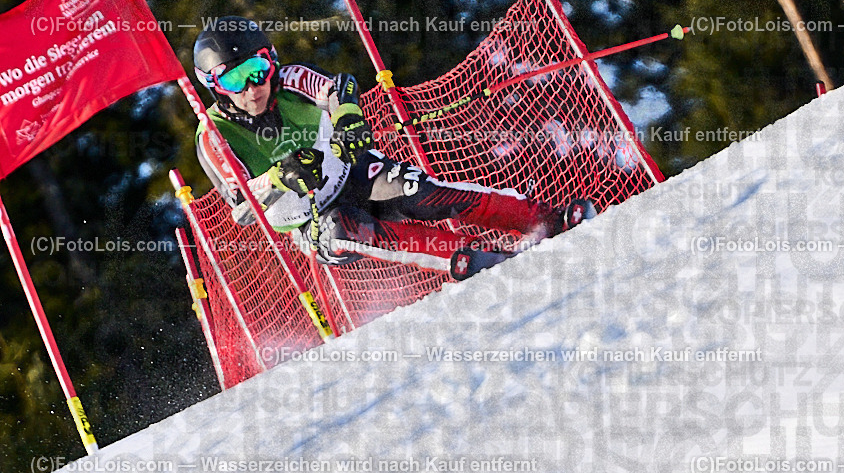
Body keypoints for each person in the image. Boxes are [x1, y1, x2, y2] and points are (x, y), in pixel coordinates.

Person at [192, 16, 594, 280]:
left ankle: (544, 220)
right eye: (234, 80)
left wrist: (348, 117)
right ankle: (465, 257)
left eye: (258, 70)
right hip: (309, 218)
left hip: (351, 171)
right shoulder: (215, 134)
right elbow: (243, 207)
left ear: (272, 63)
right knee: (347, 228)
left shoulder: (290, 79)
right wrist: (281, 176)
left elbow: (338, 87)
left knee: (422, 190)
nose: (252, 88)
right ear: (214, 87)